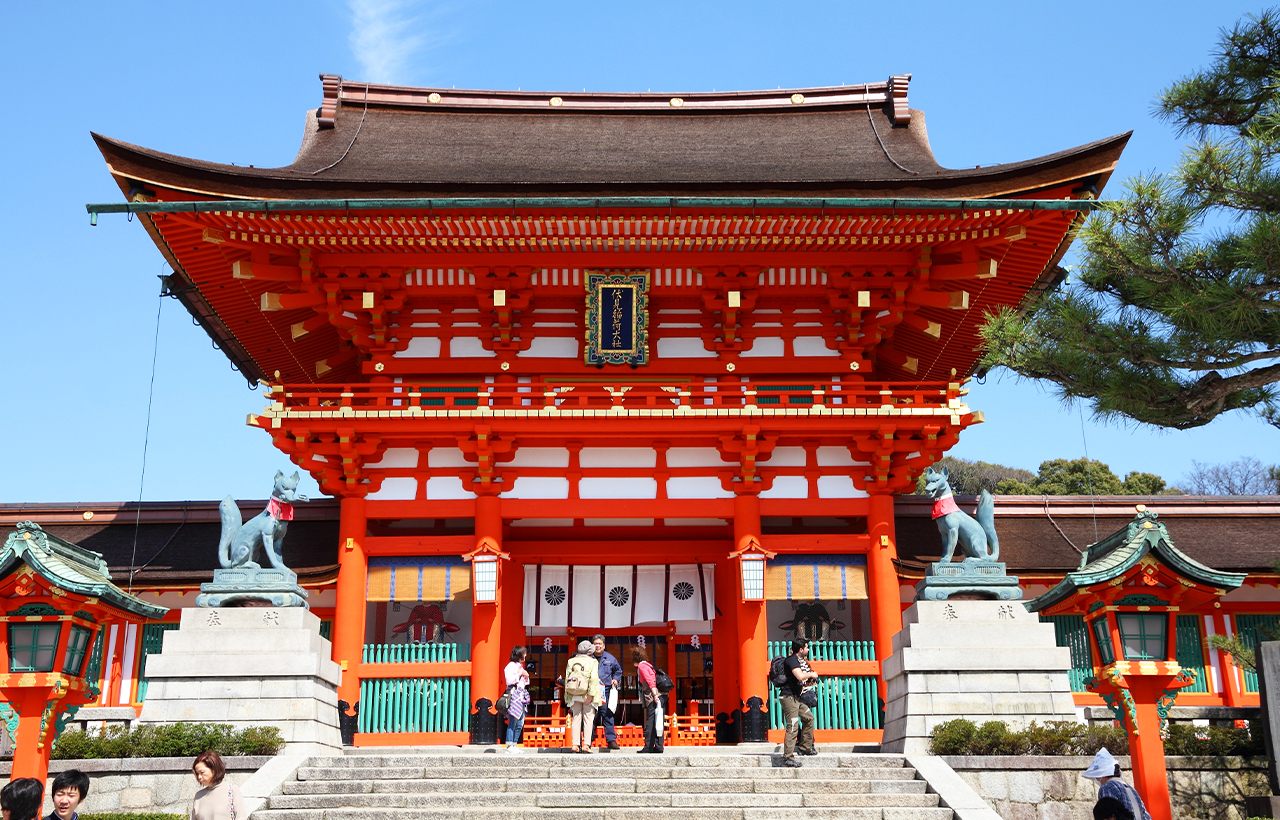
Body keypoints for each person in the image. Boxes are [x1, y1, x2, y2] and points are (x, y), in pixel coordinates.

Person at [780, 637, 818, 767]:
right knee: (793, 725)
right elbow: (800, 676)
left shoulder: (797, 660)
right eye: (807, 647)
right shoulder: (791, 660)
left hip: (796, 698)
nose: (808, 649)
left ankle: (805, 747)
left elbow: (800, 681)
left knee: (809, 718)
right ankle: (788, 757)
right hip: (789, 698)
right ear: (801, 649)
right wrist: (812, 674)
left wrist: (810, 682)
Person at [1082, 748, 1150, 820]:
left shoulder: (1108, 787)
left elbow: (1108, 815)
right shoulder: (1131, 789)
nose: (1097, 779)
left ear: (1103, 774)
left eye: (1097, 776)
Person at [564, 640, 602, 753]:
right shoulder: (592, 662)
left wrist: (568, 695)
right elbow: (594, 679)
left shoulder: (571, 661)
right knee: (588, 719)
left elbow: (567, 679)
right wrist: (591, 695)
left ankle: (575, 745)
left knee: (576, 718)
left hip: (574, 694)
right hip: (587, 695)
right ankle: (586, 745)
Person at [191, 750, 245, 820]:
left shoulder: (231, 791)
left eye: (202, 772)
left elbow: (241, 817)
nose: (199, 777)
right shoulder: (198, 796)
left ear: (214, 769)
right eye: (197, 774)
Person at [591, 634, 623, 751]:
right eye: (595, 644)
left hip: (606, 691)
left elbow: (618, 671)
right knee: (591, 715)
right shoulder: (589, 658)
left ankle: (611, 740)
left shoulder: (610, 658)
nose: (597, 646)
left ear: (604, 646)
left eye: (599, 644)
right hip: (592, 691)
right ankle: (589, 740)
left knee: (607, 715)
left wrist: (615, 679)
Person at [633, 646, 664, 754]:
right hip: (660, 695)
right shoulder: (649, 665)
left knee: (651, 721)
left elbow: (649, 680)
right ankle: (659, 746)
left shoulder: (642, 666)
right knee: (658, 720)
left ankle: (648, 746)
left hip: (652, 696)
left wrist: (654, 694)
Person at [504, 645, 531, 752]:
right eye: (524, 653)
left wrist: (526, 676)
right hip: (514, 695)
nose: (525, 655)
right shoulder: (510, 666)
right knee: (513, 721)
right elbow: (509, 681)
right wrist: (520, 674)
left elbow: (524, 683)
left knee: (520, 723)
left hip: (521, 696)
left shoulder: (519, 666)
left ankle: (514, 744)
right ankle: (509, 745)